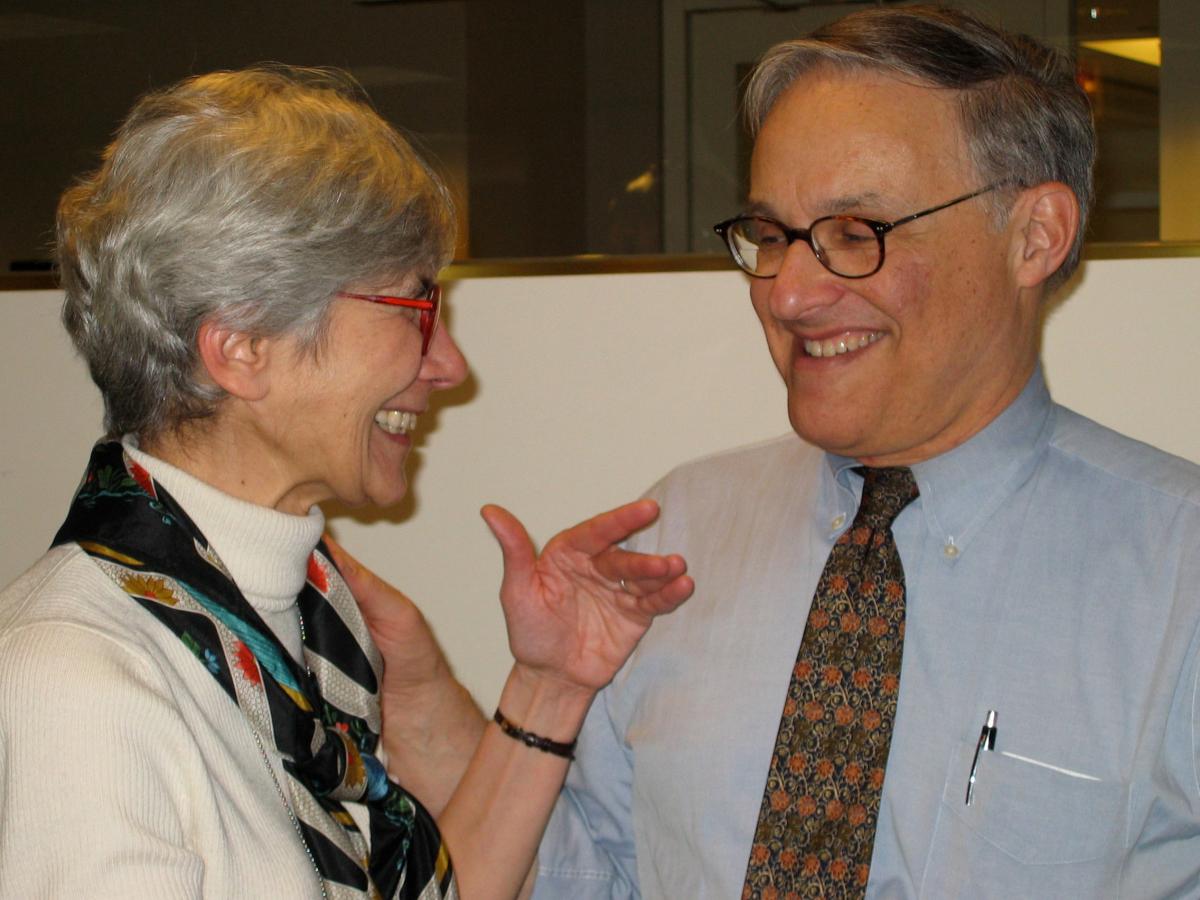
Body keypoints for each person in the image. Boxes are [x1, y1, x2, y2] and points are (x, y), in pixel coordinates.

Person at [529, 6, 1200, 899]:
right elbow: (590, 875)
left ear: (1035, 236)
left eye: (856, 232)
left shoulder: (1178, 576)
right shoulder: (677, 533)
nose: (791, 294)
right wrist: (433, 709)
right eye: (771, 236)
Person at [0, 66, 693, 899]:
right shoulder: (76, 681)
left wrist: (550, 687)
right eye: (416, 310)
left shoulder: (306, 626)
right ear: (243, 347)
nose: (450, 368)